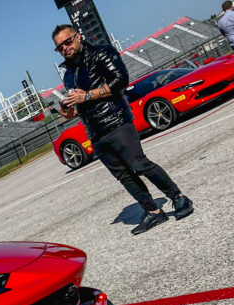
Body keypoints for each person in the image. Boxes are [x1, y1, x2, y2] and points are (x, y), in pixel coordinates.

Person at [52, 24, 194, 235]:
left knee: (140, 164)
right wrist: (71, 113)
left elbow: (120, 81)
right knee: (124, 176)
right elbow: (80, 102)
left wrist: (89, 95)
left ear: (78, 36)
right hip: (95, 132)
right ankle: (153, 212)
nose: (65, 48)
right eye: (59, 47)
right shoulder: (69, 74)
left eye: (67, 41)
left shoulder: (102, 52)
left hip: (117, 121)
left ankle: (180, 198)